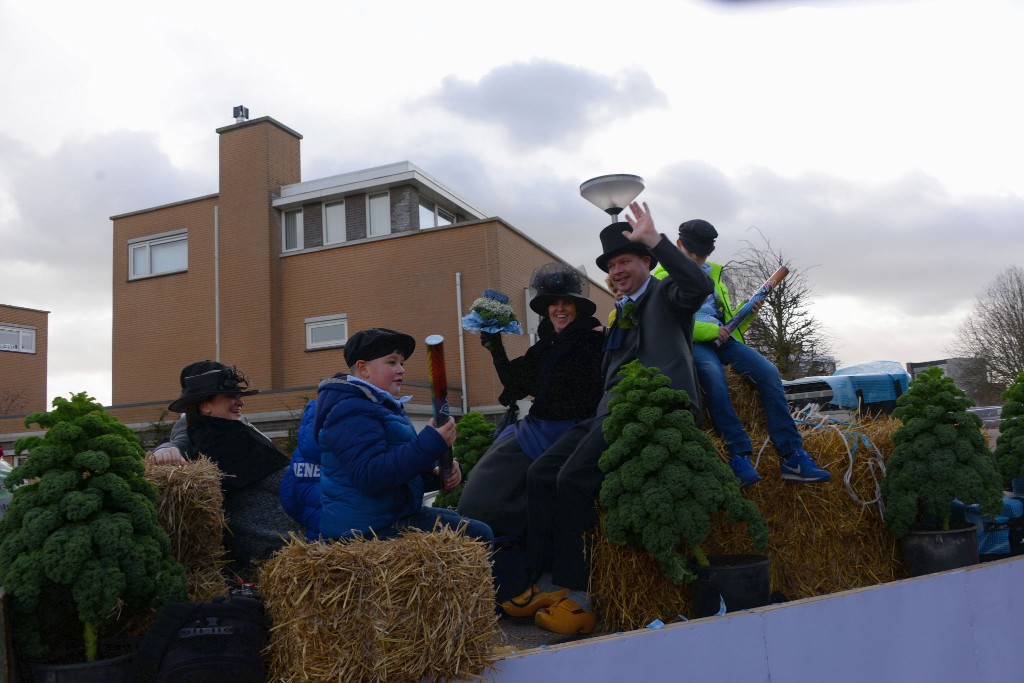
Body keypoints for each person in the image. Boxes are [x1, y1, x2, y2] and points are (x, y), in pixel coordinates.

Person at [511, 202, 714, 635]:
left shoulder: (668, 296)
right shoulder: (618, 310)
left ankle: (579, 595)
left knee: (573, 479)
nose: (617, 270)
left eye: (626, 260)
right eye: (612, 264)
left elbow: (698, 284)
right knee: (541, 473)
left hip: (651, 408)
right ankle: (546, 580)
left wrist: (656, 239)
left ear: (646, 262)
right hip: (610, 409)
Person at [652, 219, 831, 488]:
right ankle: (738, 455)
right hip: (692, 341)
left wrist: (748, 315)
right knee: (713, 377)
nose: (697, 261)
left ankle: (792, 454)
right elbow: (667, 324)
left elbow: (726, 323)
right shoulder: (659, 279)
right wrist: (711, 333)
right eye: (691, 255)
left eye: (702, 256)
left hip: (724, 341)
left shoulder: (714, 277)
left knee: (770, 372)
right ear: (678, 246)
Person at [458, 263, 605, 542]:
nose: (560, 309)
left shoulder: (593, 340)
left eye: (567, 303)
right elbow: (515, 383)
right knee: (482, 484)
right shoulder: (547, 345)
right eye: (554, 304)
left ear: (578, 307)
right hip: (536, 428)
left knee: (491, 486)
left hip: (569, 433)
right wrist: (495, 345)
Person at [314, 327, 493, 544]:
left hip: (390, 516)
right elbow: (371, 477)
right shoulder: (351, 410)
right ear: (363, 368)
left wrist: (435, 475)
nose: (401, 370)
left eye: (402, 363)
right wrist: (431, 442)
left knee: (458, 521)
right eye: (392, 362)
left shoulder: (382, 407)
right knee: (477, 535)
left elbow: (395, 474)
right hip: (367, 529)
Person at [154, 361, 304, 578]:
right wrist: (166, 449)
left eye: (237, 395)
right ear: (204, 405)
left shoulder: (231, 427)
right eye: (229, 395)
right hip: (272, 543)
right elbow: (181, 441)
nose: (239, 402)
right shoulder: (201, 431)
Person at [279, 398, 322, 540]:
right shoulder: (347, 445)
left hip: (316, 542)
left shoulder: (301, 453)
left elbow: (288, 496)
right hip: (356, 539)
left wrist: (309, 519)